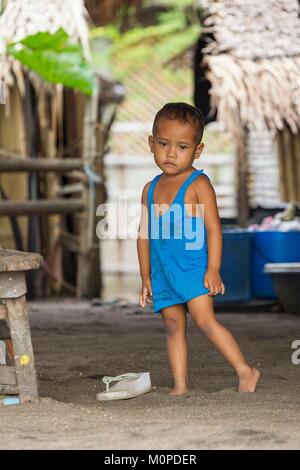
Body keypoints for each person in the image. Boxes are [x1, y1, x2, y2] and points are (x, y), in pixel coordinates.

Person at [136, 102, 260, 396]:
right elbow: (143, 235)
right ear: (151, 143)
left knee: (205, 321)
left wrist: (213, 269)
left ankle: (246, 370)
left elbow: (214, 228)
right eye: (164, 144)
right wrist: (145, 276)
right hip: (163, 271)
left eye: (181, 147)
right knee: (172, 325)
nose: (170, 153)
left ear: (197, 151)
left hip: (193, 270)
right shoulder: (149, 189)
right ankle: (181, 385)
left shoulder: (198, 184)